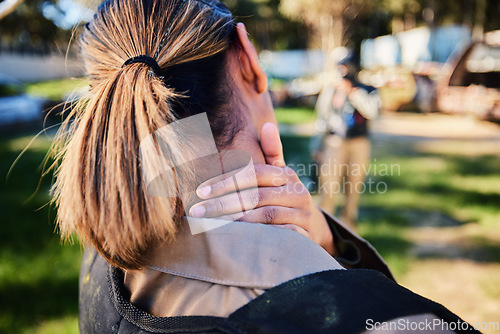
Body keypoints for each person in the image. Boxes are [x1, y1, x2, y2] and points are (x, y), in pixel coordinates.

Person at [51, 0, 479, 333]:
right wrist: (329, 264)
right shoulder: (376, 319)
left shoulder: (110, 242)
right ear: (250, 61)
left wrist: (324, 243)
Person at [316, 61, 380, 231]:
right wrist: (317, 147)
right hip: (334, 142)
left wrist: (353, 92)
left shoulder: (367, 89)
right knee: (328, 187)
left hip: (359, 142)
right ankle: (324, 229)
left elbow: (373, 112)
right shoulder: (331, 89)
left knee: (353, 189)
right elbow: (322, 119)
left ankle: (348, 231)